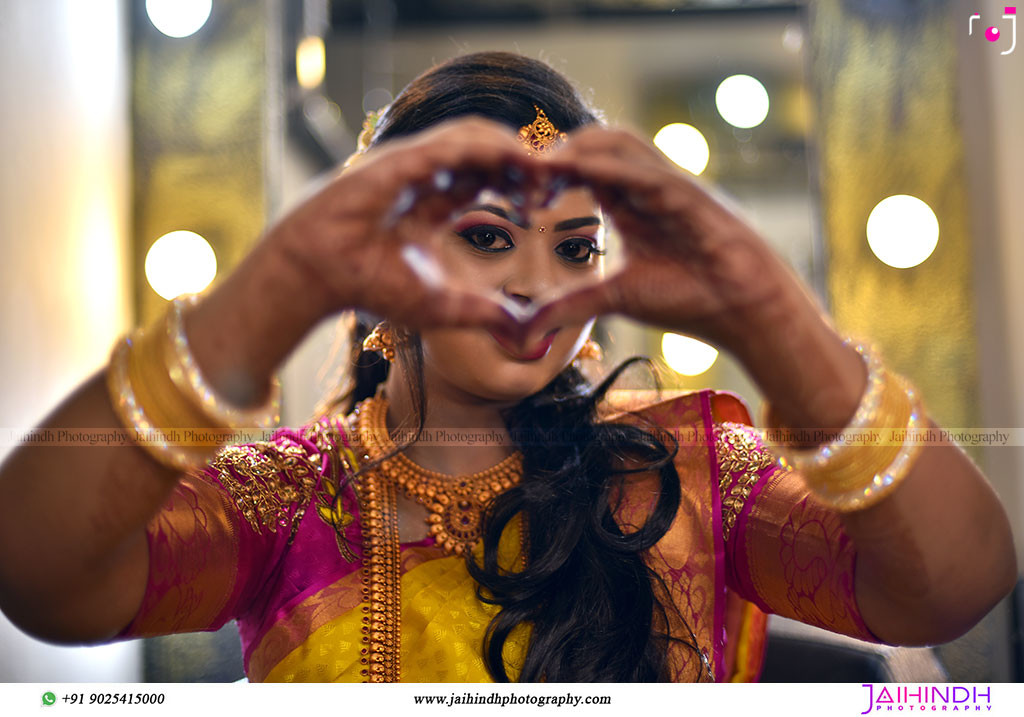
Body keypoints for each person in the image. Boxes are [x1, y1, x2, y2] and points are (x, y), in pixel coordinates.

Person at [0, 52, 1015, 683]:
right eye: (488, 237)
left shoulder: (673, 477)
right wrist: (271, 290)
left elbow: (953, 587)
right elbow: (38, 571)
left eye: (575, 248)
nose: (538, 282)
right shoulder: (293, 500)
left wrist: (774, 315)